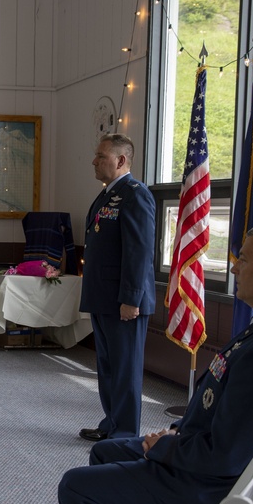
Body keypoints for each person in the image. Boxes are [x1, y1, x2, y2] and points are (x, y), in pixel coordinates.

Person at [57, 222, 253, 504]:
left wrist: (168, 446)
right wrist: (176, 435)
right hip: (234, 464)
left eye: (243, 259)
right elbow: (238, 423)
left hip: (229, 484)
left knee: (77, 488)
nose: (234, 267)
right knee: (106, 453)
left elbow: (226, 455)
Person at [78, 134, 156, 441]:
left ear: (120, 160)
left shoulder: (135, 194)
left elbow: (139, 251)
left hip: (124, 300)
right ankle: (111, 422)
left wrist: (131, 299)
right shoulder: (108, 194)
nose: (94, 161)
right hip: (103, 296)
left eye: (101, 156)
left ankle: (124, 433)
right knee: (108, 366)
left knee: (125, 370)